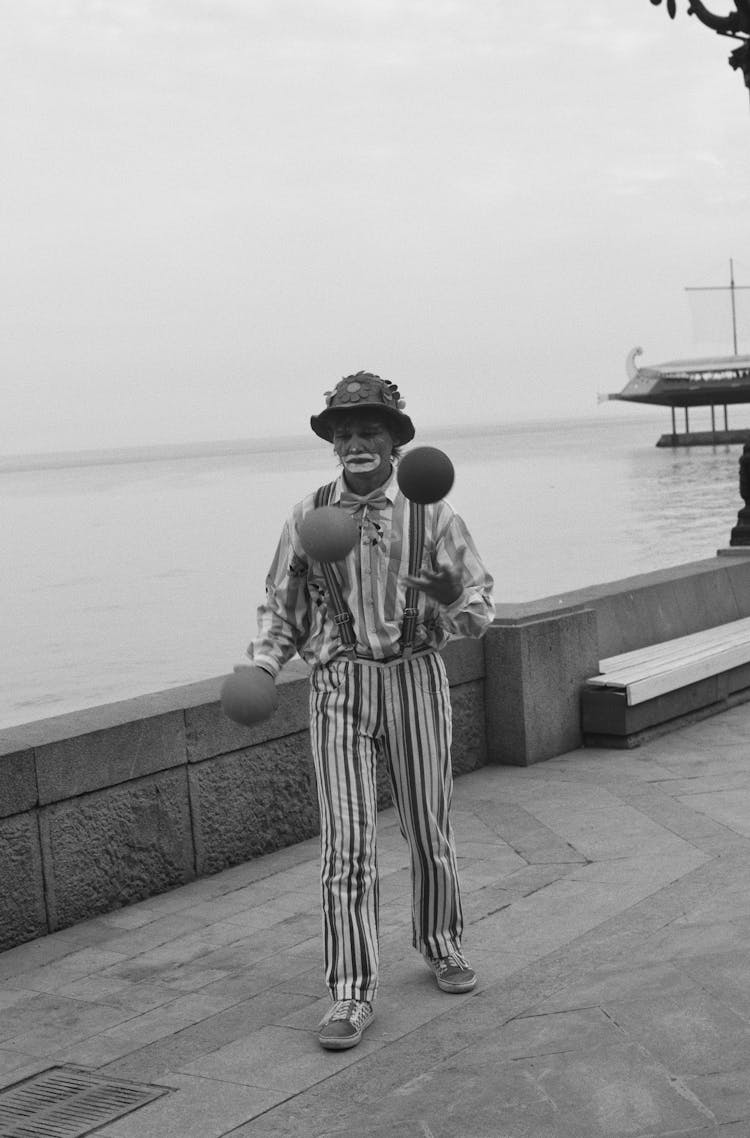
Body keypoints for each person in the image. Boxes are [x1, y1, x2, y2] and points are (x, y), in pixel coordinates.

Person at [242, 371, 495, 1050]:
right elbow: (282, 608)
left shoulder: (433, 514)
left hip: (415, 678)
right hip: (341, 685)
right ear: (334, 442)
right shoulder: (306, 515)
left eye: (370, 431)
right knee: (346, 846)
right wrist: (263, 665)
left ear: (394, 443)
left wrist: (448, 596)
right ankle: (351, 992)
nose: (357, 442)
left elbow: (479, 612)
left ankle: (441, 943)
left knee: (428, 830)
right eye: (345, 432)